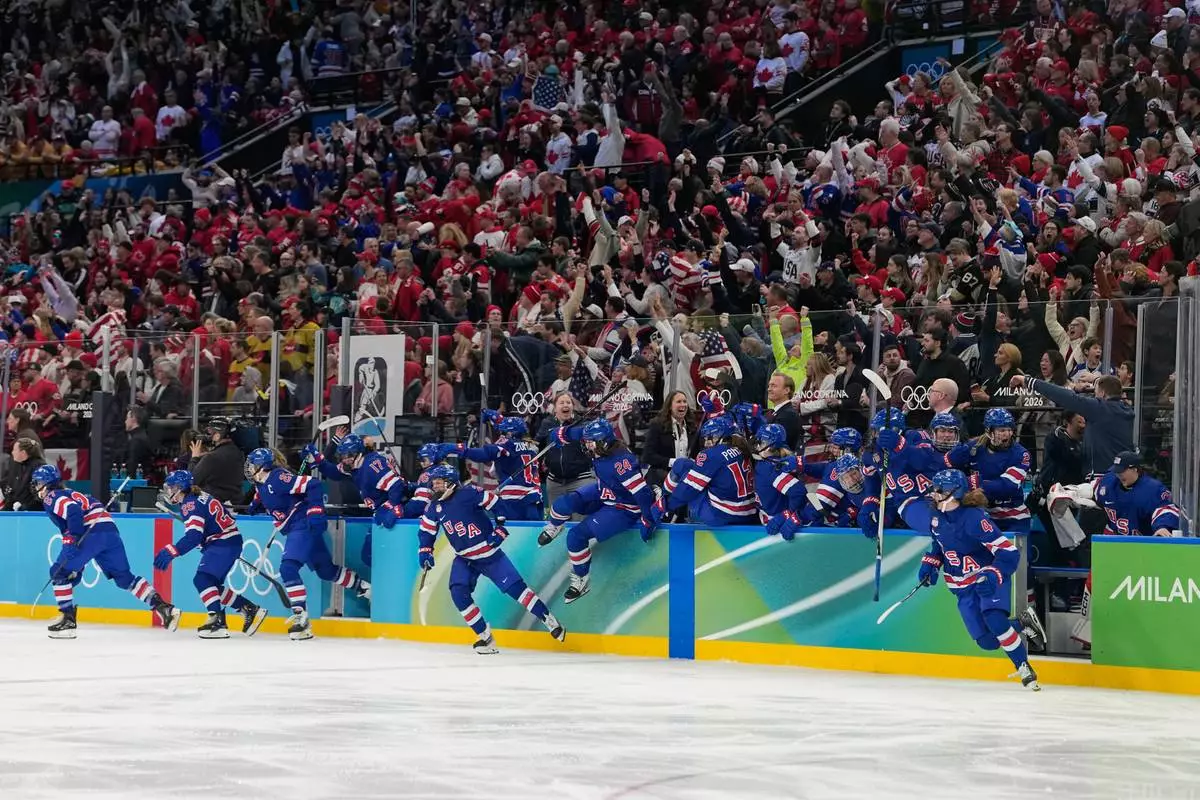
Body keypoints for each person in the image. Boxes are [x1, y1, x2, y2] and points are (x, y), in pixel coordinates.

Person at [918, 469, 1046, 691]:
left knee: (995, 621)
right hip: (961, 585)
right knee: (986, 642)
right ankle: (1022, 623)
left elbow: (1009, 552)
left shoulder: (975, 519)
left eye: (940, 491)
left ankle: (1024, 667)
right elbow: (939, 545)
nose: (935, 494)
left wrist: (993, 574)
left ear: (955, 493)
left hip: (987, 578)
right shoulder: (936, 516)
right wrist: (931, 562)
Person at [417, 464, 565, 654]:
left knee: (518, 591)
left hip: (489, 555)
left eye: (438, 483)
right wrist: (425, 550)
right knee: (458, 593)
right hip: (464, 559)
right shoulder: (434, 507)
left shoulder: (470, 493)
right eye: (433, 484)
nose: (435, 487)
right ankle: (485, 637)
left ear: (450, 482)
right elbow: (426, 530)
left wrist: (500, 528)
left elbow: (497, 504)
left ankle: (548, 619)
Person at [33, 465, 180, 639]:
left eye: (37, 483)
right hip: (110, 532)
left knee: (58, 572)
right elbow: (90, 508)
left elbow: (72, 511)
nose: (36, 487)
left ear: (46, 483)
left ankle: (68, 620)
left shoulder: (52, 496)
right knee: (125, 578)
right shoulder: (75, 494)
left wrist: (72, 539)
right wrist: (78, 564)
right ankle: (164, 608)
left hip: (90, 533)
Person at [244, 448, 371, 640]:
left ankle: (300, 618)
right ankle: (365, 588)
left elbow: (313, 484)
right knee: (325, 570)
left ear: (264, 465)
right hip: (296, 528)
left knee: (288, 568)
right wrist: (256, 503)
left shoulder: (278, 477)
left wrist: (316, 511)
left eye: (253, 464)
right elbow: (266, 493)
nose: (249, 468)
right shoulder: (260, 483)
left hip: (303, 525)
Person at [539, 419, 657, 603]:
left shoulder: (621, 462)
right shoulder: (596, 439)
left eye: (589, 442)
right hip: (605, 490)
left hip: (623, 507)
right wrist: (557, 434)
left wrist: (648, 519)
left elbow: (642, 494)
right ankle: (554, 526)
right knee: (564, 504)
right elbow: (570, 433)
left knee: (576, 537)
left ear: (603, 442)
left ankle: (581, 579)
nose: (586, 445)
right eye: (586, 441)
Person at [152, 470, 267, 638]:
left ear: (181, 487)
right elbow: (205, 529)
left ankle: (217, 621)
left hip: (223, 543)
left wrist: (172, 550)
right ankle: (248, 609)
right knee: (211, 585)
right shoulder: (199, 495)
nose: (169, 491)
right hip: (227, 541)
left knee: (202, 580)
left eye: (172, 487)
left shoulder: (189, 504)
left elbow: (193, 536)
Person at [303, 434, 409, 568]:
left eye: (348, 455)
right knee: (370, 557)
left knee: (380, 556)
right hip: (381, 514)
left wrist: (392, 506)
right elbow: (334, 472)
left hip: (394, 515)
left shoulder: (371, 465)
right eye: (342, 456)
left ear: (359, 453)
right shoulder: (354, 465)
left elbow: (397, 485)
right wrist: (317, 459)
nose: (345, 460)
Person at [1009, 374, 1133, 477]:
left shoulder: (1099, 408)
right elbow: (1111, 386)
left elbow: (1064, 396)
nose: (1095, 397)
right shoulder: (1126, 409)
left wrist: (1028, 380)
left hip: (1102, 478)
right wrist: (1096, 380)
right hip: (1122, 474)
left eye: (1096, 394)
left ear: (1102, 394)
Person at [945, 408, 1032, 535]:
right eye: (1002, 430)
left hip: (1013, 517)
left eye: (1009, 430)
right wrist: (962, 449)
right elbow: (948, 462)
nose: (1007, 434)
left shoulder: (1021, 454)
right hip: (982, 515)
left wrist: (972, 482)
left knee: (1019, 554)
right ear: (989, 431)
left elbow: (1008, 485)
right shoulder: (975, 447)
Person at [659, 415, 758, 526]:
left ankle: (663, 507)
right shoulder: (743, 448)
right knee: (689, 468)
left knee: (681, 465)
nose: (706, 443)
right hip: (749, 513)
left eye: (709, 438)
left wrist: (664, 506)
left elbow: (688, 489)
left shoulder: (711, 455)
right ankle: (665, 505)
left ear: (719, 436)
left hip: (723, 515)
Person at [445, 411, 543, 520]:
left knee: (512, 532)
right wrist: (496, 418)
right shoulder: (532, 446)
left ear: (511, 434)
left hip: (514, 500)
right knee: (535, 531)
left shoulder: (508, 446)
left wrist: (456, 449)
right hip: (534, 498)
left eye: (504, 432)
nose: (501, 434)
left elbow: (484, 455)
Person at [536, 392, 595, 511]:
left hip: (580, 481)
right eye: (561, 403)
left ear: (573, 407)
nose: (565, 405)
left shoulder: (583, 423)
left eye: (568, 402)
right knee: (556, 524)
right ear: (555, 408)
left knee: (578, 522)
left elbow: (592, 439)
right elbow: (538, 444)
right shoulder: (547, 423)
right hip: (554, 483)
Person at [640, 390, 700, 489]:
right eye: (678, 402)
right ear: (670, 406)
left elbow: (696, 453)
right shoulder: (658, 425)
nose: (683, 404)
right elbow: (648, 456)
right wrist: (673, 462)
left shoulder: (692, 427)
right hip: (662, 476)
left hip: (685, 477)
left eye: (684, 401)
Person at [752, 423, 807, 529]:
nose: (757, 445)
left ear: (771, 446)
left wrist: (786, 515)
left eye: (761, 442)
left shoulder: (770, 468)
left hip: (777, 524)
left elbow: (799, 492)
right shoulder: (771, 462)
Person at [188, 417, 247, 504]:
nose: (207, 435)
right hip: (235, 502)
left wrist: (194, 458)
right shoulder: (238, 453)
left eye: (210, 432)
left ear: (217, 435)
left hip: (215, 505)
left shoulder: (212, 457)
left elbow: (191, 480)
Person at [2, 436, 46, 511]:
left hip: (33, 514)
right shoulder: (18, 466)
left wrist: (24, 507)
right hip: (19, 511)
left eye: (14, 450)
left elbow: (41, 495)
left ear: (23, 453)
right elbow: (13, 492)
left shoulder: (39, 468)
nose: (12, 452)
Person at [124, 404, 155, 478]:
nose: (125, 422)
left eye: (127, 418)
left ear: (133, 419)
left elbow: (132, 469)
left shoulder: (136, 441)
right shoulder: (143, 436)